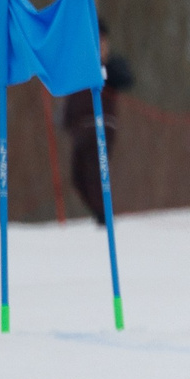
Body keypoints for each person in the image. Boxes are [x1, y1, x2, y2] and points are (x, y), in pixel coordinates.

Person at [62, 19, 134, 227]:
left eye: (101, 40)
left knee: (95, 172)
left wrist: (104, 64)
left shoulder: (110, 66)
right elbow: (71, 99)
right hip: (79, 130)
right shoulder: (78, 67)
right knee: (77, 177)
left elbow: (126, 78)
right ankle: (100, 213)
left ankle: (104, 216)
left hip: (101, 125)